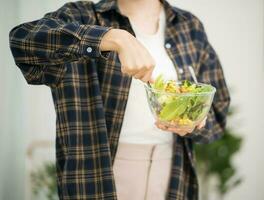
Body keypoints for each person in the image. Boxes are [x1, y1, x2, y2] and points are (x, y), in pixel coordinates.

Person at [9, 0, 231, 199]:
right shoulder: (81, 15)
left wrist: (194, 122)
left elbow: (217, 112)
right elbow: (22, 40)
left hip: (172, 170)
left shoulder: (188, 26)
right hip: (98, 176)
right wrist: (112, 37)